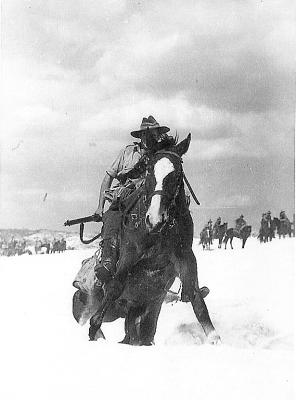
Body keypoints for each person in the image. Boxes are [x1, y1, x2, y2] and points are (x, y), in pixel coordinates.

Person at [94, 116, 172, 286]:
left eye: (155, 133)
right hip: (124, 199)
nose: (151, 137)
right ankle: (107, 262)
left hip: (151, 200)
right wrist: (100, 207)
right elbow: (108, 177)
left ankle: (187, 283)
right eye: (147, 133)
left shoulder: (162, 155)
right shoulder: (127, 152)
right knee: (111, 218)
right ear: (141, 136)